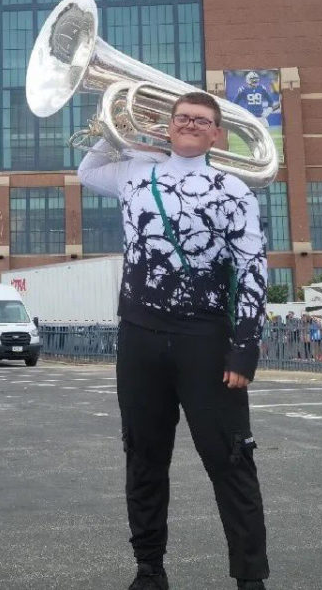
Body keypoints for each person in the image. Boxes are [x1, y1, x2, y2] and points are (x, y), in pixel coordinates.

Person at [77, 90, 270, 590]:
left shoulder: (234, 189)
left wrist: (244, 348)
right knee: (143, 456)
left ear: (216, 134)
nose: (189, 125)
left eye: (201, 121)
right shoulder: (134, 171)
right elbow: (86, 171)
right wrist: (111, 123)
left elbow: (251, 270)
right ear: (168, 125)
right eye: (181, 118)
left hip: (205, 338)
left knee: (230, 459)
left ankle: (250, 578)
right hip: (139, 335)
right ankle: (149, 569)